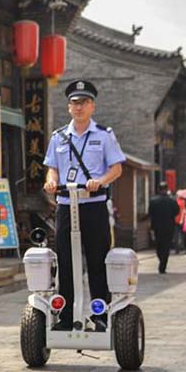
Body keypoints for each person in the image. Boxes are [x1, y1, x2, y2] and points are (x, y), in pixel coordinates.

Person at [43, 80, 125, 331]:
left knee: (97, 261)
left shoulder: (104, 135)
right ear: (69, 107)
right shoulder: (58, 137)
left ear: (92, 106)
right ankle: (66, 316)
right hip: (67, 205)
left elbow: (117, 168)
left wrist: (99, 181)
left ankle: (99, 315)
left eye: (84, 103)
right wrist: (51, 182)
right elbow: (52, 169)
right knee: (66, 262)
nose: (79, 107)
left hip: (94, 206)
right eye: (74, 103)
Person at [148, 183, 180, 273]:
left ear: (158, 189)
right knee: (166, 245)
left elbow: (150, 213)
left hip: (157, 226)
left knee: (158, 245)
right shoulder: (172, 201)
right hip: (169, 226)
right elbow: (177, 212)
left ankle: (161, 259)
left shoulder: (153, 201)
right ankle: (163, 265)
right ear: (167, 189)